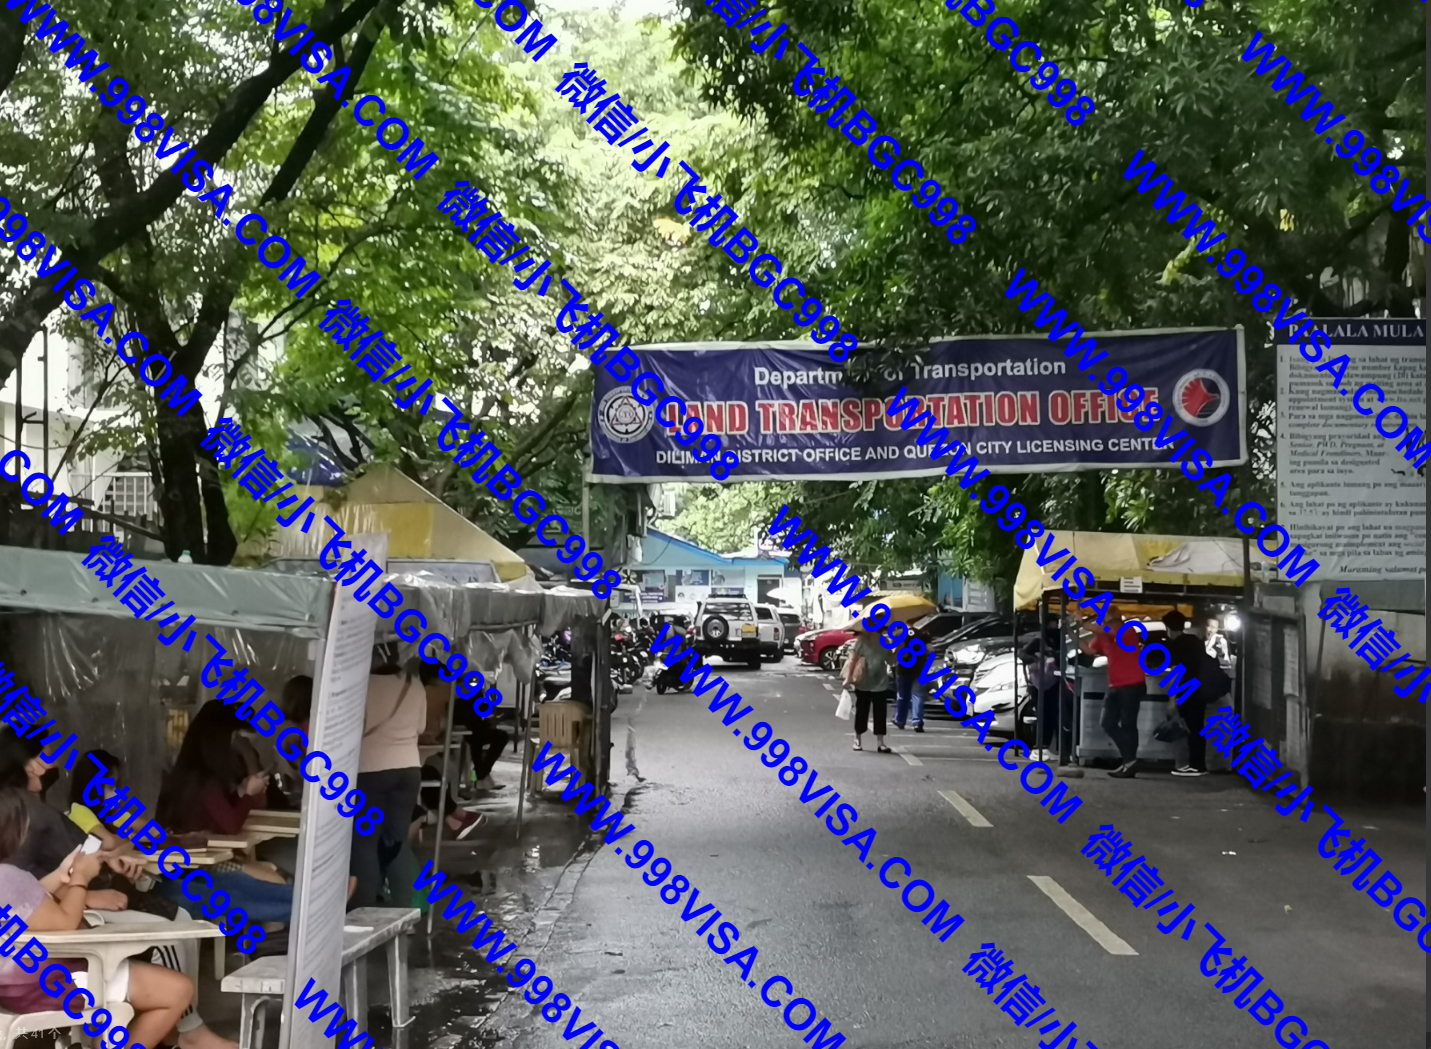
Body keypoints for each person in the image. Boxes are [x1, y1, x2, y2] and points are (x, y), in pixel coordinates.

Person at [0, 785, 196, 1049]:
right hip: (53, 985)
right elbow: (65, 924)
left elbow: (25, 906)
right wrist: (81, 878)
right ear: (14, 829)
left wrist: (61, 876)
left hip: (12, 988)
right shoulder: (9, 877)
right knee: (178, 990)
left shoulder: (8, 879)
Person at [155, 703, 295, 922]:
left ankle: (307, 909)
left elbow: (226, 815)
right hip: (199, 865)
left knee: (269, 883)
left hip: (197, 861)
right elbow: (231, 825)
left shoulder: (190, 773)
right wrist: (248, 794)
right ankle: (309, 909)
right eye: (235, 738)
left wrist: (244, 791)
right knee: (270, 883)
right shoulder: (203, 780)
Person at [352, 651, 426, 908]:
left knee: (365, 842)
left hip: (370, 769)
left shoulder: (360, 685)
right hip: (409, 768)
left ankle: (364, 910)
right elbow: (421, 727)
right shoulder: (414, 683)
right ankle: (407, 911)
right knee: (398, 841)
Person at [1080, 606, 1146, 779]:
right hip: (1115, 685)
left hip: (1132, 683)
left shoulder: (1126, 630)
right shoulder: (1103, 635)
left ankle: (1129, 762)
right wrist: (1072, 634)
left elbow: (1109, 631)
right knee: (1108, 723)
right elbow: (1089, 650)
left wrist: (1084, 624)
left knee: (1128, 724)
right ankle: (1130, 760)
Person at [1163, 611, 1211, 777]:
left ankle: (1196, 766)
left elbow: (1176, 672)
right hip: (1200, 688)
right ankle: (1198, 763)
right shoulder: (1196, 641)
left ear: (1169, 628)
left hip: (1186, 690)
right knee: (1197, 727)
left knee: (1191, 728)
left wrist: (1172, 699)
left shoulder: (1176, 644)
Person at [1022, 634, 1074, 760]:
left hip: (1054, 683)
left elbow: (1063, 659)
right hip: (1040, 685)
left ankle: (1053, 748)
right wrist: (1034, 660)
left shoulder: (1061, 639)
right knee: (1044, 716)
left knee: (1056, 717)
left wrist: (1054, 657)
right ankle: (1040, 747)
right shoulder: (1039, 641)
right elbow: (1021, 653)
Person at [843, 625, 893, 754]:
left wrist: (899, 648)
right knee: (862, 711)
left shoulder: (885, 641)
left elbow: (891, 661)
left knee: (880, 712)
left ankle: (880, 742)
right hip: (863, 682)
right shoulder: (861, 641)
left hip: (880, 682)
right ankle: (857, 739)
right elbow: (853, 660)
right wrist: (848, 678)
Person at [892, 656, 924, 733]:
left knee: (902, 695)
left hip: (903, 668)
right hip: (919, 668)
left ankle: (900, 720)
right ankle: (917, 722)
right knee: (917, 695)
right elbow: (930, 650)